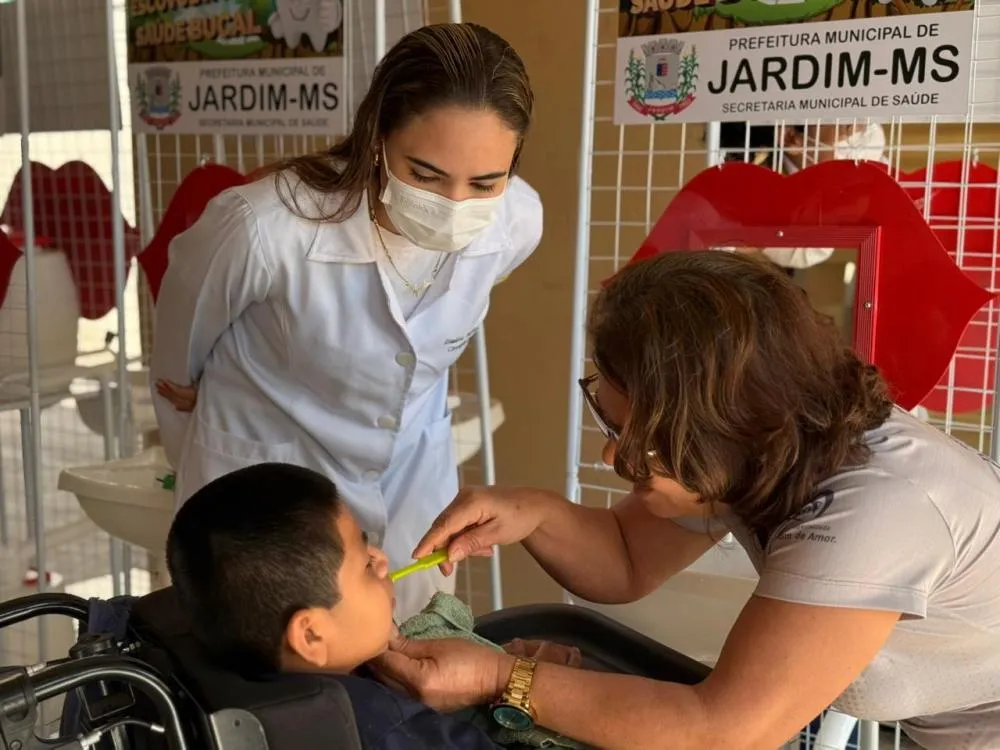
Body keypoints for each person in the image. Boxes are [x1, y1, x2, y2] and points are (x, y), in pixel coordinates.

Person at [371, 251, 1000, 749]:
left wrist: (499, 678)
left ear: (723, 423)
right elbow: (624, 558)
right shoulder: (762, 441)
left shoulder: (875, 513)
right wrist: (530, 511)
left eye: (638, 440)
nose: (612, 459)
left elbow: (722, 730)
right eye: (613, 428)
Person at [150, 22, 543, 620]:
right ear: (377, 135)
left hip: (412, 478)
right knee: (278, 675)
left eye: (485, 182)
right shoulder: (263, 228)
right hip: (268, 486)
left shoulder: (515, 221)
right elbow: (180, 354)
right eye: (427, 175)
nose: (455, 205)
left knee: (408, 650)